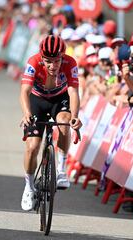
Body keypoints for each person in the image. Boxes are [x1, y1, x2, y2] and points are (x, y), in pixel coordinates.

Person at [19, 35, 82, 211]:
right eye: (48, 61)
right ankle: (28, 187)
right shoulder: (33, 61)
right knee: (32, 147)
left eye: (57, 61)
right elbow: (24, 91)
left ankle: (61, 170)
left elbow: (74, 93)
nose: (52, 66)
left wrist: (75, 116)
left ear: (63, 57)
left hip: (59, 98)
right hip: (37, 100)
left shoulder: (70, 63)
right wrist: (26, 114)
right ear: (42, 58)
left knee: (64, 122)